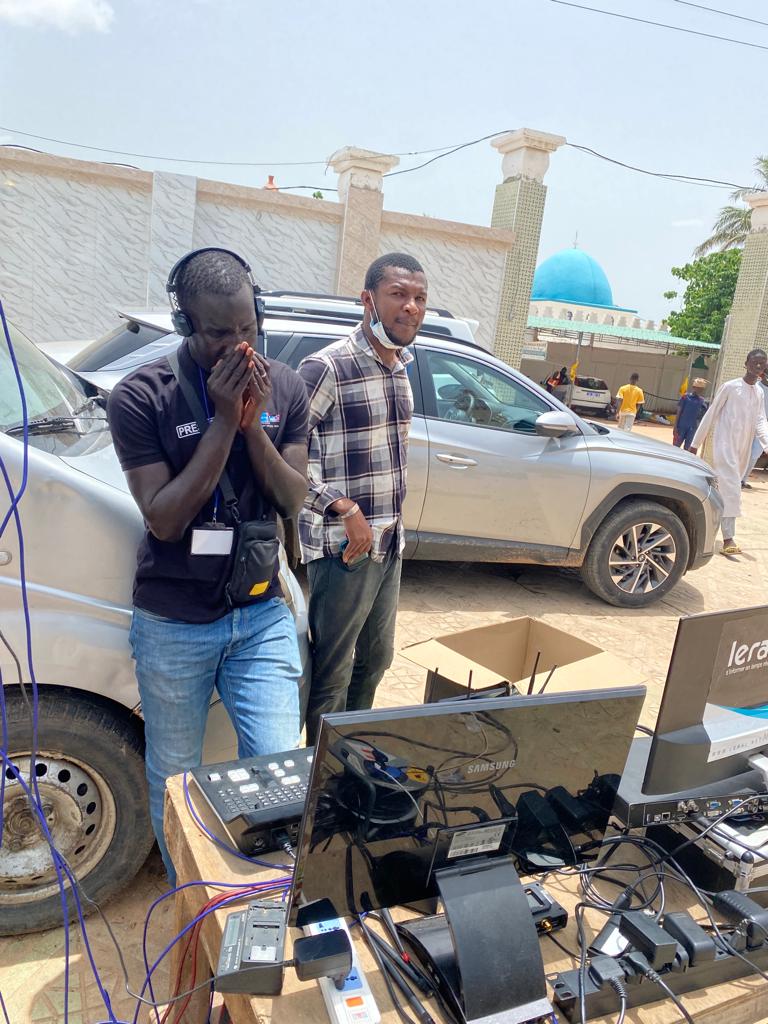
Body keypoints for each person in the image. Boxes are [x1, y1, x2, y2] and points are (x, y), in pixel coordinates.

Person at [106, 248, 309, 880]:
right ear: (184, 325)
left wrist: (252, 427)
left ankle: (265, 899)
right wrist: (223, 423)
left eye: (247, 327)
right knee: (178, 776)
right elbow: (163, 518)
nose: (238, 344)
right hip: (173, 623)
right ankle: (192, 898)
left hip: (259, 612)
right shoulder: (141, 397)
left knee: (278, 767)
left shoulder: (288, 385)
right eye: (219, 332)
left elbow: (292, 498)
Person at [297, 252, 427, 744]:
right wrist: (342, 507)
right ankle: (319, 780)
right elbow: (283, 456)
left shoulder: (399, 366)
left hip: (387, 544)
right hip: (342, 549)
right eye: (398, 295)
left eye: (419, 298)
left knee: (375, 662)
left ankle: (348, 759)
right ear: (368, 299)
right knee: (333, 671)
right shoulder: (329, 367)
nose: (410, 307)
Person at [690, 349, 768, 555]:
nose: (759, 366)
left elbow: (761, 420)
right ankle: (728, 539)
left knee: (724, 489)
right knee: (733, 488)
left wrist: (766, 444)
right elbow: (712, 413)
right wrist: (695, 443)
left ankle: (700, 526)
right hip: (724, 446)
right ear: (746, 363)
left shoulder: (759, 392)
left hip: (742, 449)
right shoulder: (731, 387)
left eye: (763, 363)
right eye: (755, 362)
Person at [742, 368, 768, 488]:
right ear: (762, 374)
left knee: (755, 454)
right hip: (748, 424)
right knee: (742, 452)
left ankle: (743, 479)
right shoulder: (754, 388)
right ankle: (737, 478)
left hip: (762, 429)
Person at [672, 378, 708, 451]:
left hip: (693, 429)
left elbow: (703, 417)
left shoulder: (703, 401)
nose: (699, 390)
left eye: (701, 389)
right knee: (675, 448)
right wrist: (675, 427)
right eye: (697, 388)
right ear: (693, 387)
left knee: (688, 450)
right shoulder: (685, 397)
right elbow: (679, 412)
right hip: (681, 427)